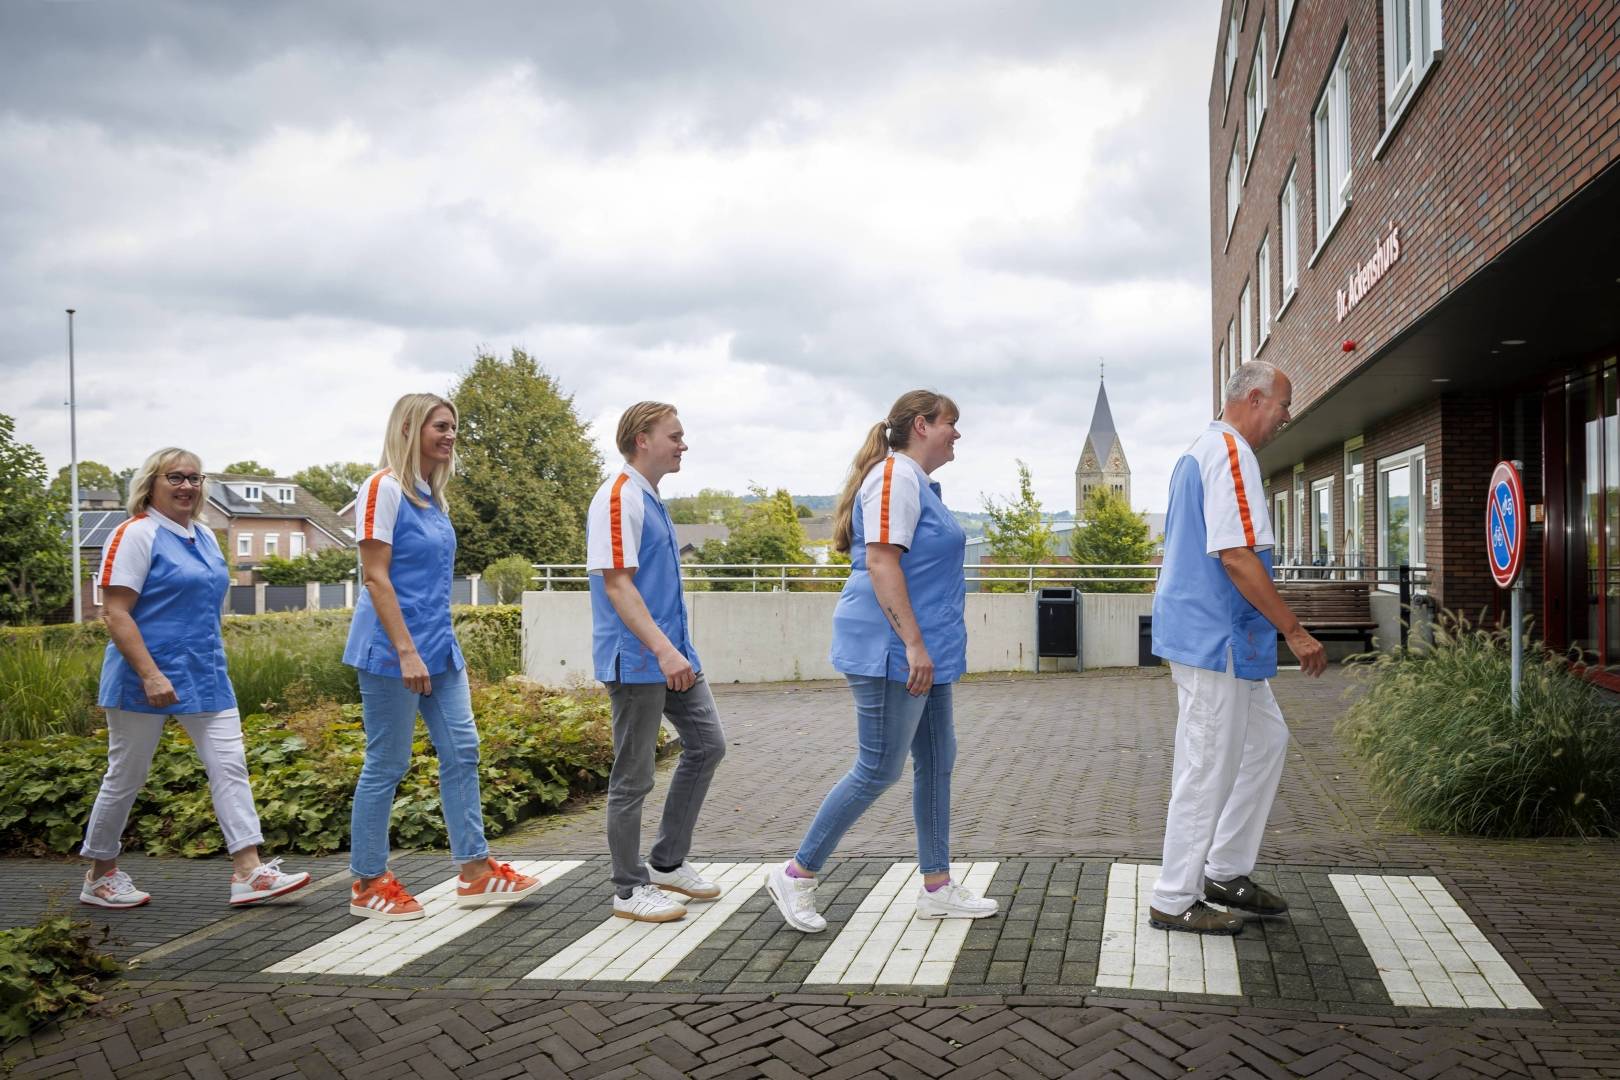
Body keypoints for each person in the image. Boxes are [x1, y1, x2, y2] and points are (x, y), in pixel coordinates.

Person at [765, 390, 997, 933]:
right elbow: (881, 562)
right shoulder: (895, 478)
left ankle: (937, 887)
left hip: (924, 650)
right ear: (921, 425)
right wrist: (913, 644)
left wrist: (925, 647)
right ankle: (796, 874)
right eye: (950, 423)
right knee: (878, 769)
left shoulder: (917, 482)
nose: (957, 433)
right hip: (891, 649)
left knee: (937, 760)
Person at [81, 448, 310, 909]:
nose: (187, 486)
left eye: (194, 478)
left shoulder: (204, 535)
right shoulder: (135, 534)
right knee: (127, 775)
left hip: (205, 672)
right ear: (151, 483)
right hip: (144, 674)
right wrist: (150, 674)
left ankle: (248, 870)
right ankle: (100, 875)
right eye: (175, 477)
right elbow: (115, 612)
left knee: (230, 765)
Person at [344, 393, 542, 920]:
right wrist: (406, 651)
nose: (451, 434)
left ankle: (474, 871)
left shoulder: (433, 497)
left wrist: (436, 647)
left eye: (454, 426)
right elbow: (375, 577)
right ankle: (367, 881)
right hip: (392, 650)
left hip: (438, 648)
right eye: (440, 425)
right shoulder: (383, 488)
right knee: (387, 762)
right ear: (409, 428)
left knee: (463, 750)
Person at [1148, 361, 1327, 935]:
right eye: (1283, 404)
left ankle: (1224, 870)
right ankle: (1174, 897)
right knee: (1205, 767)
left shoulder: (1201, 450)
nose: (1286, 416)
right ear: (1253, 398)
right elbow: (1236, 556)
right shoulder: (1230, 453)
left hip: (1217, 639)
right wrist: (1294, 630)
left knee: (1266, 741)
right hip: (1216, 640)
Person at [586, 402, 727, 923]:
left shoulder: (650, 497)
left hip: (672, 656)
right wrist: (665, 651)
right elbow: (617, 585)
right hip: (638, 660)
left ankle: (667, 862)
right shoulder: (619, 497)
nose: (683, 445)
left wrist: (675, 651)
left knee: (708, 745)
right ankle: (628, 890)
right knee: (634, 776)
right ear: (642, 439)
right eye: (675, 435)